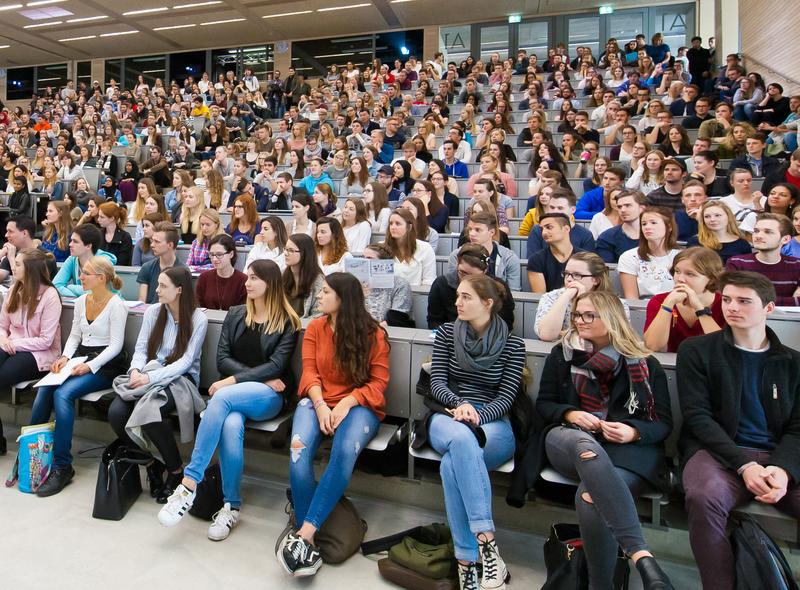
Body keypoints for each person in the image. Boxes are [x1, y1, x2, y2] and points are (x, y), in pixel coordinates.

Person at [537, 290, 674, 590]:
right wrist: (571, 414)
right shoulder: (563, 354)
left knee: (590, 497)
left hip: (626, 451)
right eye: (577, 315)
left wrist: (634, 431)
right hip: (569, 439)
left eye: (589, 315)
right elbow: (545, 405)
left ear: (611, 319)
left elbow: (662, 423)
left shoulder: (643, 363)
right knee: (584, 446)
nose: (580, 321)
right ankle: (643, 558)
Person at [157, 260, 301, 538]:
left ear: (270, 284)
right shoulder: (235, 314)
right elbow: (222, 359)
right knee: (231, 424)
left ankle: (189, 483)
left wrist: (233, 381)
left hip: (270, 396)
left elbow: (276, 366)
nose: (247, 283)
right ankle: (231, 507)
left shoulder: (287, 321)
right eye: (248, 277)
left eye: (255, 278)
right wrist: (253, 377)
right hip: (249, 391)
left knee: (221, 398)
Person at [678, 270, 800, 590]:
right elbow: (698, 418)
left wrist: (782, 471)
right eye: (727, 300)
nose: (732, 307)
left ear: (769, 308)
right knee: (705, 497)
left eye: (744, 301)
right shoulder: (697, 350)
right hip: (718, 451)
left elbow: (799, 428)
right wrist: (744, 465)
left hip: (778, 455)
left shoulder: (793, 363)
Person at [277, 272, 389, 578]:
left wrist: (347, 402)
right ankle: (307, 533)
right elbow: (309, 373)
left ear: (343, 298)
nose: (320, 296)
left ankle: (305, 535)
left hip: (359, 406)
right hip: (317, 402)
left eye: (326, 292)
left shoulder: (373, 334)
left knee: (342, 452)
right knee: (299, 455)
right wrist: (321, 404)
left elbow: (378, 385)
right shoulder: (315, 327)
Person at [426, 273, 524, 590]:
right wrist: (460, 407)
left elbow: (507, 398)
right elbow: (437, 383)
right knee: (460, 439)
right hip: (448, 416)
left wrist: (477, 415)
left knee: (451, 463)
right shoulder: (445, 334)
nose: (457, 302)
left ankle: (467, 564)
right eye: (457, 296)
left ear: (488, 303)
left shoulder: (513, 344)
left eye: (466, 297)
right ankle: (487, 544)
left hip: (491, 422)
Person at [109, 267, 207, 505]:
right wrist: (135, 371)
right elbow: (141, 349)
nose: (157, 290)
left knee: (150, 414)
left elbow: (185, 362)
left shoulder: (197, 319)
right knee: (116, 413)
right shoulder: (154, 311)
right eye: (158, 284)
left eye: (163, 286)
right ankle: (151, 464)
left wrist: (149, 379)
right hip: (150, 373)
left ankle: (175, 471)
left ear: (179, 290)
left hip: (181, 379)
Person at [29, 256, 127, 496]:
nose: (80, 277)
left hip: (106, 364)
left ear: (101, 279)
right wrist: (64, 357)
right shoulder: (82, 300)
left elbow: (115, 345)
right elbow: (74, 336)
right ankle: (32, 454)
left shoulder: (117, 305)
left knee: (63, 394)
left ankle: (63, 465)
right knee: (45, 388)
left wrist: (91, 365)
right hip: (80, 358)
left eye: (85, 274)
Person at [0, 248, 62, 454]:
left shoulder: (50, 296)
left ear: (31, 270)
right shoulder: (13, 290)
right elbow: (2, 325)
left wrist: (14, 344)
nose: (13, 267)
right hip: (11, 345)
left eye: (18, 264)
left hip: (39, 354)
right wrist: (3, 338)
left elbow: (45, 340)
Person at [644, 247, 726, 353]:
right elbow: (653, 346)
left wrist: (699, 309)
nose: (680, 279)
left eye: (690, 274)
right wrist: (668, 304)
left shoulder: (725, 304)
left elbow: (722, 349)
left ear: (711, 278)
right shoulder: (659, 301)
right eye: (677, 271)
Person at [534, 251, 630, 342]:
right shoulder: (551, 297)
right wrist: (565, 297)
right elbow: (546, 335)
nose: (569, 279)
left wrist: (584, 302)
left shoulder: (617, 304)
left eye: (577, 275)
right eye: (567, 274)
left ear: (596, 280)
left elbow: (616, 339)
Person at [430, 243, 515, 330]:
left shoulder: (497, 287)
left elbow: (506, 321)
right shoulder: (442, 284)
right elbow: (434, 321)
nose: (466, 278)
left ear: (485, 271)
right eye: (462, 272)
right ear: (457, 265)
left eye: (473, 276)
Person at [726, 213, 800, 306]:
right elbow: (734, 299)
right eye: (756, 231)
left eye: (768, 232)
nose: (758, 236)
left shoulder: (797, 265)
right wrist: (791, 300)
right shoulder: (737, 263)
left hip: (788, 320)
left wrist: (754, 300)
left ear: (785, 239)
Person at [448, 210, 520, 292]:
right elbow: (452, 287)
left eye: (477, 230)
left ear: (492, 232)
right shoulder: (456, 255)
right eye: (470, 229)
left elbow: (514, 293)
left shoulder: (509, 258)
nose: (472, 234)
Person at [618, 207, 681, 299]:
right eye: (644, 224)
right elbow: (631, 298)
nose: (647, 227)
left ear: (669, 227)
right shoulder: (629, 256)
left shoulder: (681, 256)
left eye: (653, 223)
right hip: (642, 309)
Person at [527, 188, 596, 258]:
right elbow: (532, 263)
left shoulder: (585, 235)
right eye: (552, 207)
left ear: (573, 210)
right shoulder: (538, 230)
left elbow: (588, 266)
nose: (555, 212)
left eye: (560, 208)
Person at [53, 224, 118, 298]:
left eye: (75, 241)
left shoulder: (103, 262)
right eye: (71, 241)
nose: (70, 244)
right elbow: (56, 285)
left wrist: (71, 287)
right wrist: (78, 298)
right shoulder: (72, 259)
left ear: (88, 246)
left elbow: (97, 292)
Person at [361, 243, 414, 327]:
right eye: (363, 258)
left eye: (369, 258)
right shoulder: (358, 284)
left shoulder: (400, 284)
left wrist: (371, 330)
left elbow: (397, 318)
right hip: (359, 330)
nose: (365, 262)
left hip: (388, 331)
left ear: (384, 263)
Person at [528, 213, 583, 294]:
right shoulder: (536, 260)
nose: (544, 232)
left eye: (549, 227)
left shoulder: (585, 258)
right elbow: (540, 298)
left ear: (566, 229)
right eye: (541, 229)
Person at [687, 201, 752, 264]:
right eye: (707, 216)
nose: (712, 219)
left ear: (728, 217)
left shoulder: (742, 244)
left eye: (717, 215)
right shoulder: (695, 242)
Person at [137, 222, 187, 304]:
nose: (152, 245)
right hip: (149, 313)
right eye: (152, 241)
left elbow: (183, 303)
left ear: (170, 245)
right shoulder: (147, 267)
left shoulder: (183, 271)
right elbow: (142, 301)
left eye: (157, 242)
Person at [385, 208, 436, 287]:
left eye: (398, 224)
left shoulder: (425, 248)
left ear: (409, 227)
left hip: (416, 296)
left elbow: (428, 281)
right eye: (391, 223)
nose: (393, 227)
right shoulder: (382, 248)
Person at [195, 234, 247, 311]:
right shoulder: (204, 277)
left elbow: (243, 309)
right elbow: (199, 305)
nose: (214, 259)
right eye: (212, 254)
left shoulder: (243, 280)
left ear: (231, 254)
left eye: (219, 254)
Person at [595, 189, 645, 264]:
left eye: (628, 205)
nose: (623, 210)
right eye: (619, 207)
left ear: (642, 208)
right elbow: (608, 270)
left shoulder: (657, 234)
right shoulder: (607, 238)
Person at [283, 233, 324, 318]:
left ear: (305, 253)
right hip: (281, 326)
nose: (286, 253)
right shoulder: (283, 275)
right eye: (285, 249)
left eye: (291, 250)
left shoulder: (318, 281)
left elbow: (318, 314)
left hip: (304, 328)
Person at [97, 202, 133, 267]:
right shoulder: (98, 234)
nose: (98, 219)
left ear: (112, 218)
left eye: (102, 217)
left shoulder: (125, 237)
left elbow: (123, 261)